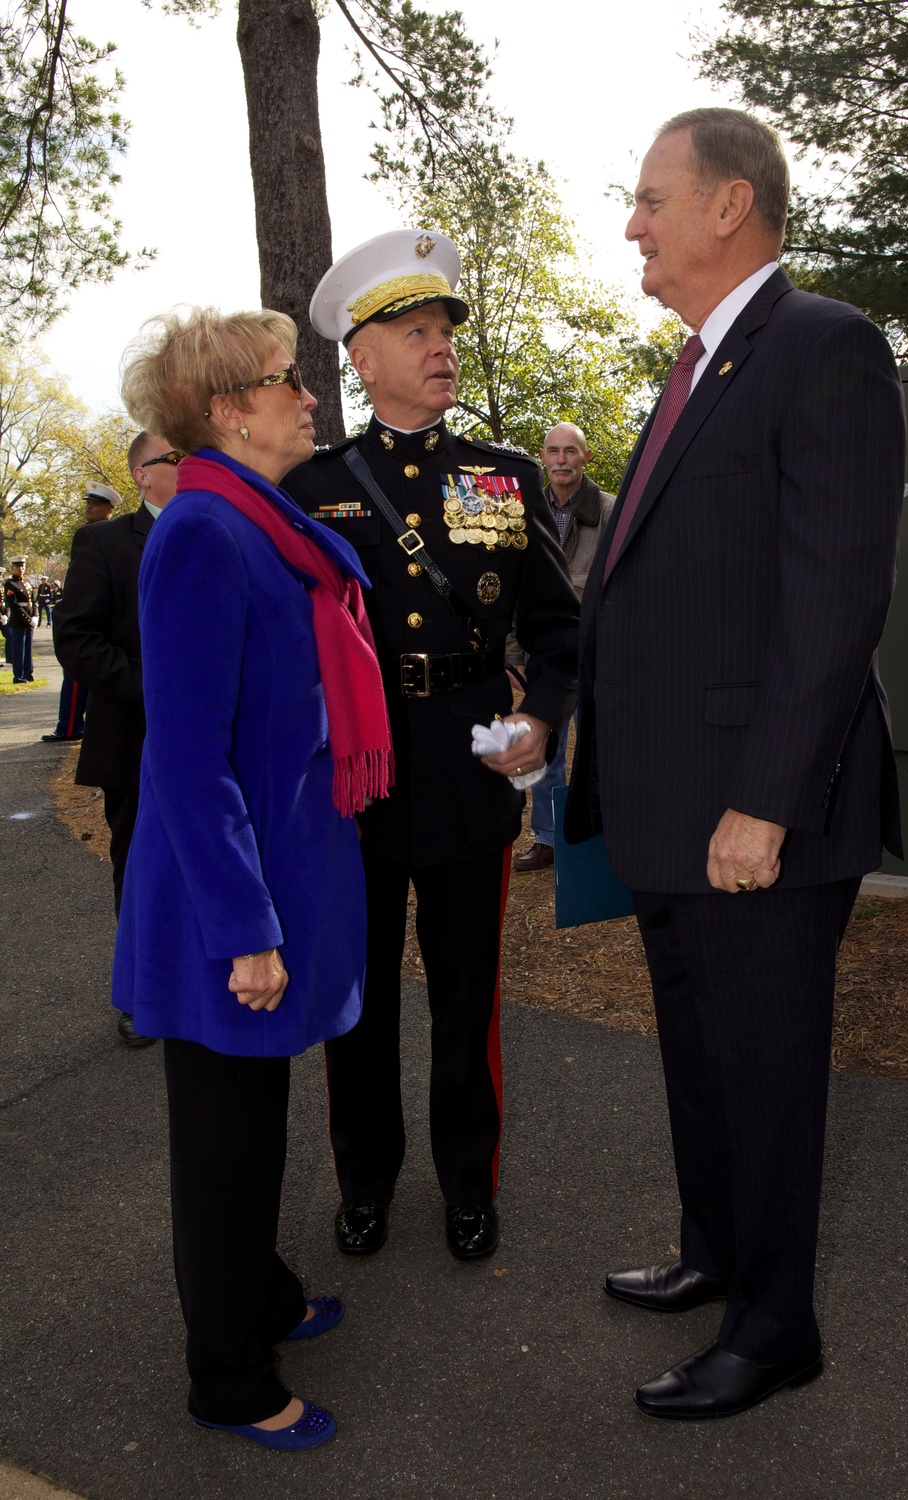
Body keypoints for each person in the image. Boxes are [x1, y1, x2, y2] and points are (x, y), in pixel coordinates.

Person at [565, 108, 905, 1420]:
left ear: (730, 207)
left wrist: (763, 800)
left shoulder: (823, 346)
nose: (633, 226)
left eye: (652, 199)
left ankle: (777, 1328)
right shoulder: (697, 365)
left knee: (764, 1074)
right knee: (703, 1061)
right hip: (673, 809)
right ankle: (718, 1253)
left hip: (762, 814)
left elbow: (834, 598)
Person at [113, 306, 392, 1450]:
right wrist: (245, 931)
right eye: (288, 381)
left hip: (276, 879)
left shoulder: (260, 523)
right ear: (229, 411)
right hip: (226, 907)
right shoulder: (201, 533)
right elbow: (183, 755)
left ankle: (264, 1296)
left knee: (257, 1118)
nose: (309, 397)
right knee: (226, 1145)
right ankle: (227, 1374)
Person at [284, 229, 579, 1262]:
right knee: (356, 997)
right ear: (361, 357)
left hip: (464, 767)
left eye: (445, 328)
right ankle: (365, 1181)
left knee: (467, 998)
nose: (440, 347)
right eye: (414, 332)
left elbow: (555, 627)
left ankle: (469, 1181)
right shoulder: (313, 482)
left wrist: (539, 716)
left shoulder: (500, 478)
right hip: (354, 781)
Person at [52, 441, 178, 1046]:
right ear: (141, 475)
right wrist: (156, 690)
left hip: (221, 739)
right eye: (174, 455)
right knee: (141, 866)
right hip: (136, 737)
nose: (188, 464)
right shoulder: (103, 543)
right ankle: (139, 994)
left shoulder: (217, 529)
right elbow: (77, 640)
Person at [512, 423, 615, 872]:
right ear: (543, 455)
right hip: (546, 648)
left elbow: (616, 580)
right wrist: (513, 651)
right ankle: (549, 838)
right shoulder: (524, 507)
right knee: (545, 744)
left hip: (596, 646)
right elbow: (517, 585)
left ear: (585, 456)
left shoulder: (611, 509)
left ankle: (605, 835)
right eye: (553, 451)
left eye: (570, 451)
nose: (561, 460)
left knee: (601, 743)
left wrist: (570, 591)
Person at [42, 484, 122, 744]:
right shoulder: (100, 533)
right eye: (88, 502)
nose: (89, 507)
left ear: (109, 509)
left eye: (96, 504)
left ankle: (70, 726)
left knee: (77, 678)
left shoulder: (101, 535)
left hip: (95, 619)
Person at [3, 558, 34, 682]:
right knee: (19, 650)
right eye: (18, 566)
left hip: (29, 620)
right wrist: (28, 619)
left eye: (23, 566)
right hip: (18, 621)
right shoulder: (10, 584)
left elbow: (33, 601)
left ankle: (28, 672)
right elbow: (14, 605)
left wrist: (35, 616)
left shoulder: (27, 583)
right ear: (13, 568)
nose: (21, 569)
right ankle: (18, 675)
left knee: (28, 649)